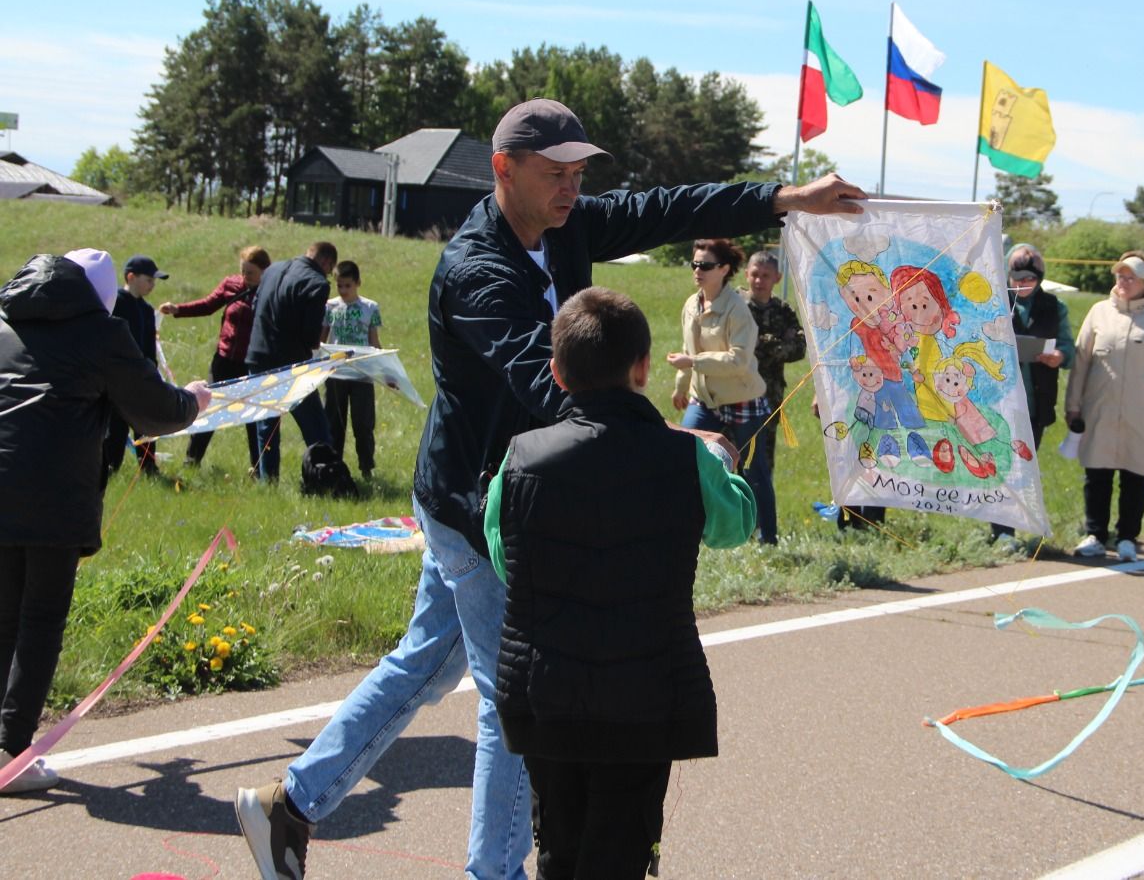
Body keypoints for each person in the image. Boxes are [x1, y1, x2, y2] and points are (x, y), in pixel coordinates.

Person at [234, 98, 864, 880]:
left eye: (579, 174)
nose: (573, 189)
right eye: (555, 174)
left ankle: (287, 806)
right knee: (516, 699)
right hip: (484, 505)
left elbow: (667, 208)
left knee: (426, 665)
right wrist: (672, 442)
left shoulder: (566, 225)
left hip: (511, 491)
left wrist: (780, 198)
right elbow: (552, 382)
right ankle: (492, 871)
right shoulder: (475, 270)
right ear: (505, 171)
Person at [485, 286, 755, 879]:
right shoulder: (687, 457)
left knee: (558, 842)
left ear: (556, 373)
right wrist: (724, 464)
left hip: (545, 692)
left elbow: (507, 559)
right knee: (622, 851)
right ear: (641, 368)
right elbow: (736, 527)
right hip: (644, 696)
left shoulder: (519, 458)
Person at [0, 251, 207, 794]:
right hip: (52, 494)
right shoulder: (101, 331)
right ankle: (13, 751)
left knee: (3, 615)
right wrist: (195, 401)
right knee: (39, 620)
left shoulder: (5, 318)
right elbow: (155, 407)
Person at [1064, 251, 1144, 562]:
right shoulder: (1099, 312)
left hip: (1141, 413)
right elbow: (1081, 362)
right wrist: (1073, 405)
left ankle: (1128, 537)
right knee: (1097, 474)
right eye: (1120, 276)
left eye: (1131, 278)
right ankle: (1095, 534)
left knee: (1135, 474)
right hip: (1099, 409)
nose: (1124, 282)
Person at [669, 238, 773, 543]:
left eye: (706, 265)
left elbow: (739, 360)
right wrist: (681, 386)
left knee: (754, 472)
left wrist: (694, 361)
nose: (697, 271)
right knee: (683, 459)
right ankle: (688, 534)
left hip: (741, 397)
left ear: (724, 269)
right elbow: (688, 351)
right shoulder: (691, 303)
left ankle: (767, 538)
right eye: (695, 264)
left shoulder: (738, 309)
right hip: (702, 398)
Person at [159, 246, 271, 471]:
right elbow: (208, 305)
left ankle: (258, 467)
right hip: (224, 359)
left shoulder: (270, 291)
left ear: (264, 272)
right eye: (243, 271)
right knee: (207, 408)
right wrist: (177, 310)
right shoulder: (231, 285)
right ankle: (191, 461)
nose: (245, 277)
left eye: (250, 273)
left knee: (253, 415)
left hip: (252, 363)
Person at [991, 244, 1074, 543]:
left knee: (1024, 468)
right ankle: (1002, 532)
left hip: (1037, 402)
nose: (1022, 284)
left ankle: (1018, 525)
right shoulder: (996, 302)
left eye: (1029, 278)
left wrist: (1060, 357)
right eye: (1016, 277)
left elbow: (1068, 346)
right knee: (1001, 465)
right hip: (1000, 401)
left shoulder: (1055, 306)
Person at [245, 242, 337, 483]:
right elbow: (310, 335)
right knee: (315, 425)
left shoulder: (273, 270)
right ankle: (325, 476)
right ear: (327, 263)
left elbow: (255, 308)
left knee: (267, 423)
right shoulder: (316, 283)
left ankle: (269, 480)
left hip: (257, 355)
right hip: (292, 364)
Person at [741, 250, 806, 543]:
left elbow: (800, 349)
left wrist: (765, 343)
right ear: (746, 274)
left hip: (770, 398)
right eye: (755, 274)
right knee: (734, 461)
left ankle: (758, 526)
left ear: (777, 278)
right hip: (737, 397)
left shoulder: (783, 311)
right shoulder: (738, 307)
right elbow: (743, 346)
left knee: (763, 465)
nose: (759, 280)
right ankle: (735, 526)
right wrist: (779, 341)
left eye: (766, 275)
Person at [102, 253, 168, 481]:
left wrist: (153, 373)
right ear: (131, 277)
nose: (153, 284)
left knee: (148, 425)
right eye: (148, 279)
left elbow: (149, 347)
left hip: (143, 379)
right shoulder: (115, 304)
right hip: (118, 380)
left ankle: (149, 467)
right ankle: (111, 468)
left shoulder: (147, 310)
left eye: (154, 280)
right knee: (116, 429)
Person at [321, 260, 383, 480]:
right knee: (334, 423)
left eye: (348, 285)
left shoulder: (370, 308)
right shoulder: (330, 307)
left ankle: (366, 467)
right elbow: (323, 339)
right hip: (337, 373)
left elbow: (374, 341)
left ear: (358, 283)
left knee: (363, 424)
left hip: (362, 375)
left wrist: (382, 367)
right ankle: (334, 467)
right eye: (340, 286)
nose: (344, 290)